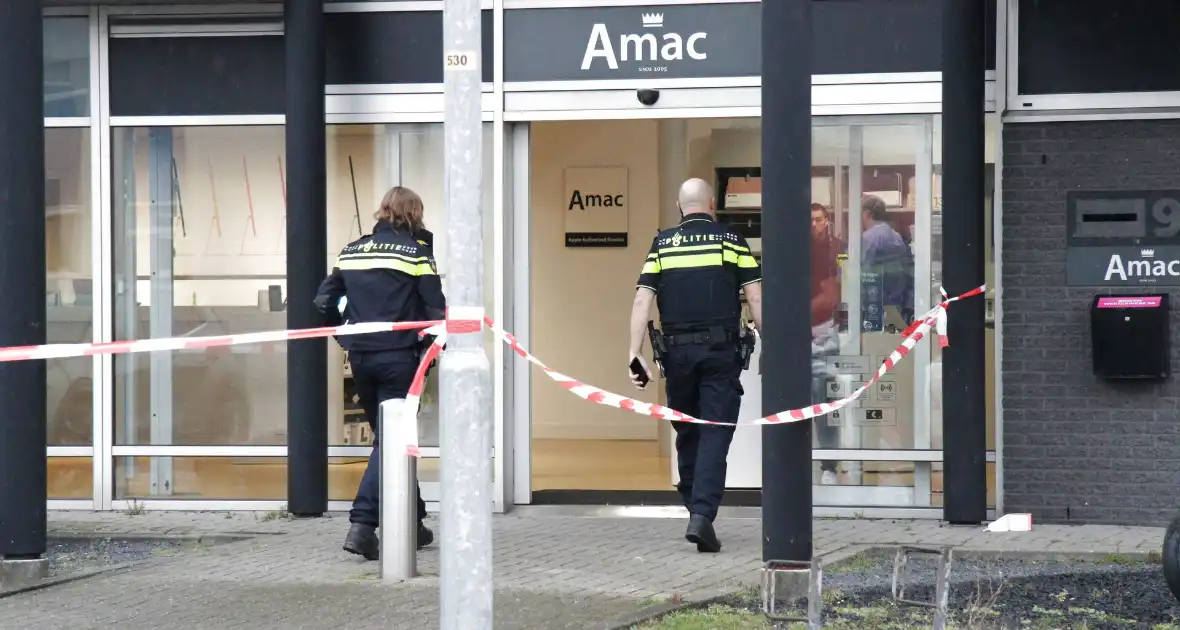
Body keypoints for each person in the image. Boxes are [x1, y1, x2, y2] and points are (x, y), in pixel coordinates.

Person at [628, 177, 763, 554]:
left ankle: (694, 504)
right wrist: (771, 345)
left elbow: (643, 300)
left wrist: (633, 353)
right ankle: (702, 514)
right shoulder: (732, 241)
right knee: (715, 430)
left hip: (677, 355)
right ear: (713, 205)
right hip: (720, 354)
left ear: (678, 206)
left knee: (687, 430)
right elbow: (754, 296)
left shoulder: (662, 244)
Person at [314, 186, 445, 561]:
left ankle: (414, 521)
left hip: (361, 358)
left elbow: (324, 300)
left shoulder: (352, 250)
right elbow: (436, 310)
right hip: (400, 359)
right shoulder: (417, 253)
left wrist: (342, 329)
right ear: (415, 214)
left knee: (387, 440)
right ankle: (362, 525)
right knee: (390, 441)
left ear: (383, 211)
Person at [809, 204, 844, 485]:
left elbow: (830, 298)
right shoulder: (797, 249)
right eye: (810, 221)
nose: (814, 226)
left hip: (823, 333)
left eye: (818, 220)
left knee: (825, 400)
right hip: (800, 334)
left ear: (827, 221)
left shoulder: (834, 249)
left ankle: (829, 465)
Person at [860, 195, 913, 327]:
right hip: (896, 306)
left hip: (876, 307)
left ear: (867, 214)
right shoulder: (896, 236)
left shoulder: (869, 237)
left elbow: (864, 273)